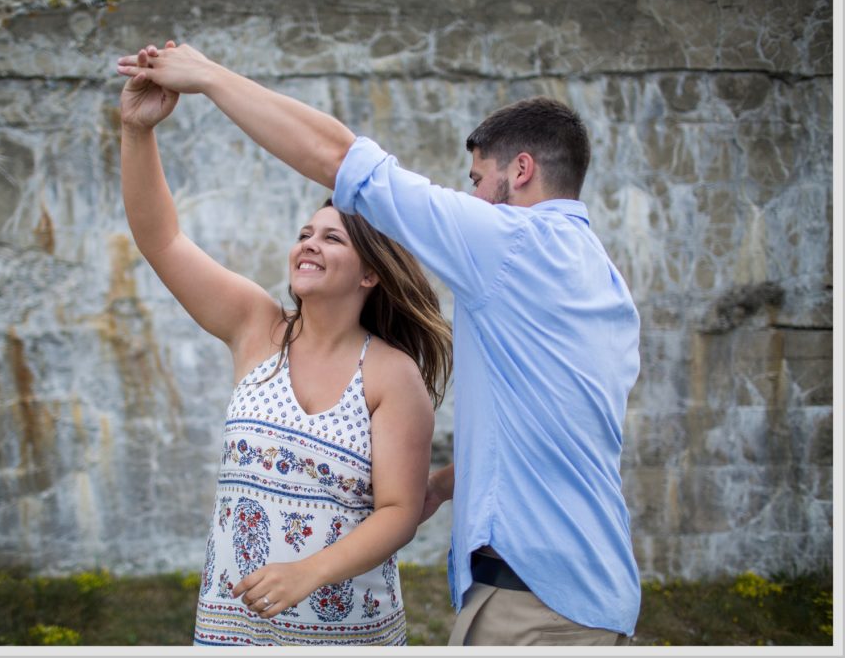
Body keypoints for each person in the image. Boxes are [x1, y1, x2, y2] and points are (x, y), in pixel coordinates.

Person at [117, 41, 642, 646]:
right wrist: (445, 485)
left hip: (531, 602)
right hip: (576, 592)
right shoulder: (603, 287)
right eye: (304, 233)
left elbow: (339, 157)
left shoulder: (512, 248)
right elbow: (558, 429)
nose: (469, 199)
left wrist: (206, 75)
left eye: (476, 181)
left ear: (519, 171)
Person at [117, 45, 452, 646]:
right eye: (304, 234)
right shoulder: (256, 328)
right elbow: (160, 239)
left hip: (346, 634)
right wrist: (137, 132)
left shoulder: (390, 375)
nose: (309, 244)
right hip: (232, 628)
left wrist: (308, 573)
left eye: (332, 239)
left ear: (370, 273)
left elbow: (400, 512)